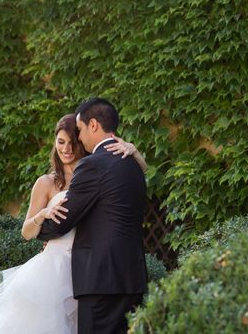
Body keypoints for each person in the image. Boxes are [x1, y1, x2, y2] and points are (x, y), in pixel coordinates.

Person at [0, 112, 147, 334]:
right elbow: (26, 232)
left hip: (88, 268)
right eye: (60, 142)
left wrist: (134, 152)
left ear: (82, 142)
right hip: (53, 271)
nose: (66, 149)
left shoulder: (97, 171)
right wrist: (43, 216)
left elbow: (127, 179)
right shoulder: (45, 183)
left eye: (72, 143)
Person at [36, 98, 148, 334]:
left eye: (80, 129)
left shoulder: (92, 165)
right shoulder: (134, 164)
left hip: (101, 281)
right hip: (132, 277)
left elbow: (63, 220)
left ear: (93, 125)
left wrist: (41, 229)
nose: (79, 137)